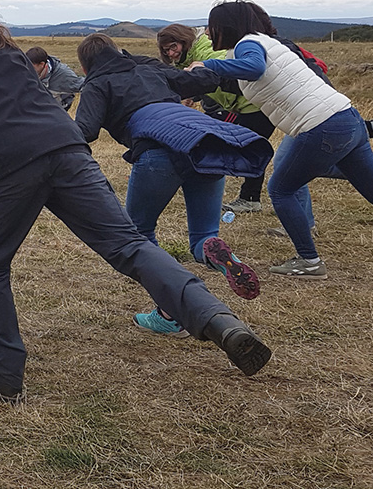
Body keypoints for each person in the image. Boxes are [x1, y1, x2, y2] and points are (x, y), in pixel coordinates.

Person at [0, 0, 272, 403]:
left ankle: (3, 370)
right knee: (128, 245)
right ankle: (219, 320)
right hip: (67, 148)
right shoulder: (5, 47)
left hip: (6, 163)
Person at [198, 1, 373, 280]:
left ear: (225, 26)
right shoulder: (265, 43)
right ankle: (307, 259)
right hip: (346, 118)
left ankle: (309, 261)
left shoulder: (248, 44)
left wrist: (206, 64)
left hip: (321, 125)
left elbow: (253, 67)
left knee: (281, 189)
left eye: (211, 27)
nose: (208, 34)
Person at [73, 33, 269, 319]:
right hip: (206, 141)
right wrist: (202, 68)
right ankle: (213, 250)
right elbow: (201, 81)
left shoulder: (96, 83)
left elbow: (86, 131)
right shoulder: (148, 67)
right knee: (203, 234)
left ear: (84, 68)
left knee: (137, 237)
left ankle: (170, 312)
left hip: (159, 149)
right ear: (118, 52)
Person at [158, 24, 373, 215]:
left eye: (173, 46)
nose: (171, 53)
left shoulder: (215, 51)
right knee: (295, 163)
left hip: (257, 107)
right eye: (167, 50)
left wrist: (203, 84)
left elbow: (238, 74)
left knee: (267, 162)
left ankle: (255, 202)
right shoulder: (201, 54)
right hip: (291, 112)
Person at [24, 46, 84, 111]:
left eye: (32, 67)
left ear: (42, 64)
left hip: (58, 113)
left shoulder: (64, 75)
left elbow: (85, 86)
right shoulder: (25, 71)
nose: (28, 70)